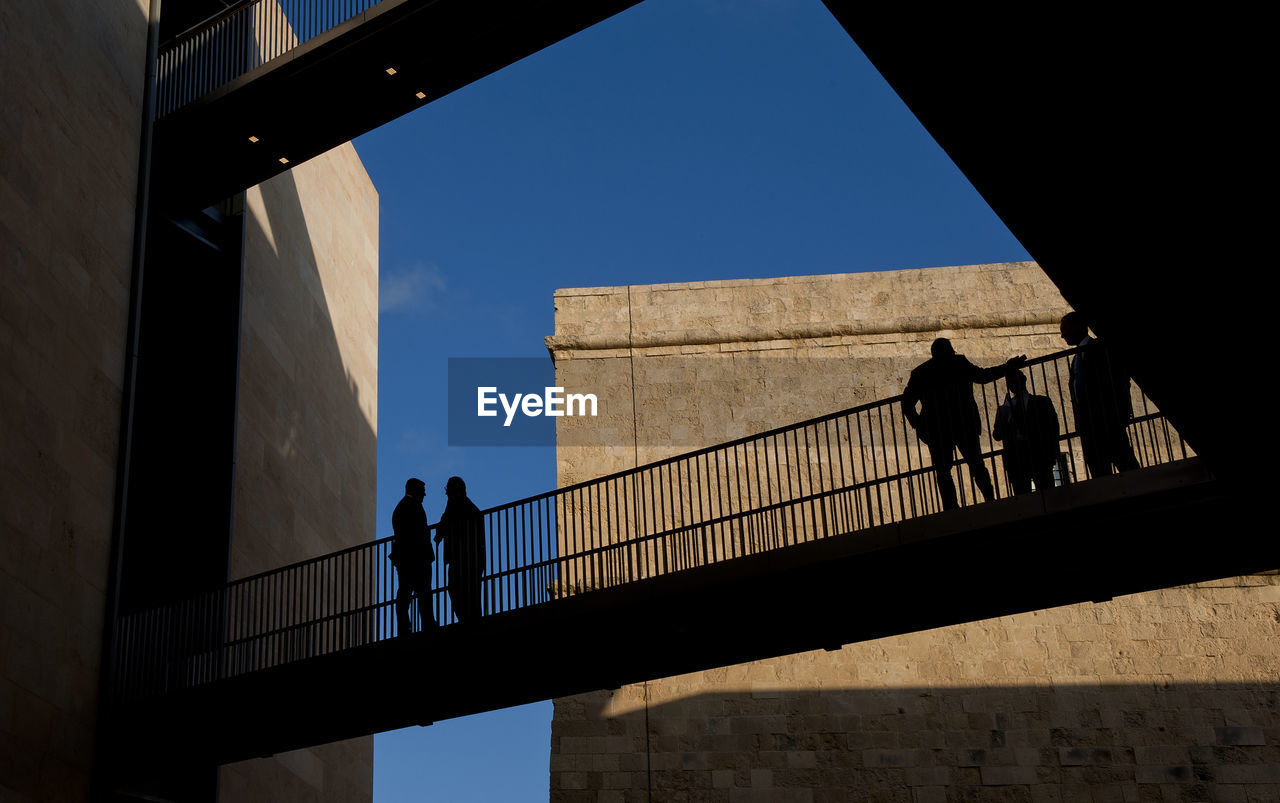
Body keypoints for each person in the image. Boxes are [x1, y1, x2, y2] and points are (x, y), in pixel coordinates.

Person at [902, 337, 1025, 510]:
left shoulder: (921, 372)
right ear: (951, 350)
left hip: (937, 429)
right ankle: (990, 499)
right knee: (976, 464)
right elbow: (983, 375)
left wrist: (919, 425)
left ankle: (951, 508)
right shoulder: (958, 363)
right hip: (963, 423)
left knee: (944, 471)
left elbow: (907, 403)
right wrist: (1007, 367)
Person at [1059, 312, 1140, 478]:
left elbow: (1117, 380)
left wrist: (1116, 410)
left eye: (1065, 329)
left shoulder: (1100, 349)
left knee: (1127, 466)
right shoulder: (1076, 359)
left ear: (1079, 326)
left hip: (1107, 421)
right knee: (1100, 476)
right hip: (1089, 429)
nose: (1063, 335)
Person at [992, 370, 1061, 495]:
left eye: (1015, 381)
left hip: (1040, 457)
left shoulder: (1042, 402)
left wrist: (1052, 455)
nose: (1013, 385)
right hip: (1017, 461)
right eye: (1011, 383)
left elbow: (1053, 428)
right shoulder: (1006, 408)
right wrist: (1005, 416)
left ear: (1023, 382)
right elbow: (997, 435)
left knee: (1048, 495)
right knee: (1025, 499)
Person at [434, 476, 485, 623]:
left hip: (463, 557)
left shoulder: (457, 504)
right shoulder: (467, 506)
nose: (446, 493)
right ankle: (470, 619)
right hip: (471, 558)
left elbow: (447, 520)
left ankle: (467, 619)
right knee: (470, 592)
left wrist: (440, 532)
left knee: (458, 589)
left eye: (447, 489)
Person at [390, 477, 435, 634]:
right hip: (414, 557)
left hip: (411, 557)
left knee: (409, 591)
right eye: (422, 490)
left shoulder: (405, 506)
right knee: (416, 591)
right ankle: (424, 623)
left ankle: (411, 625)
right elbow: (411, 534)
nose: (424, 494)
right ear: (413, 490)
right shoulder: (408, 506)